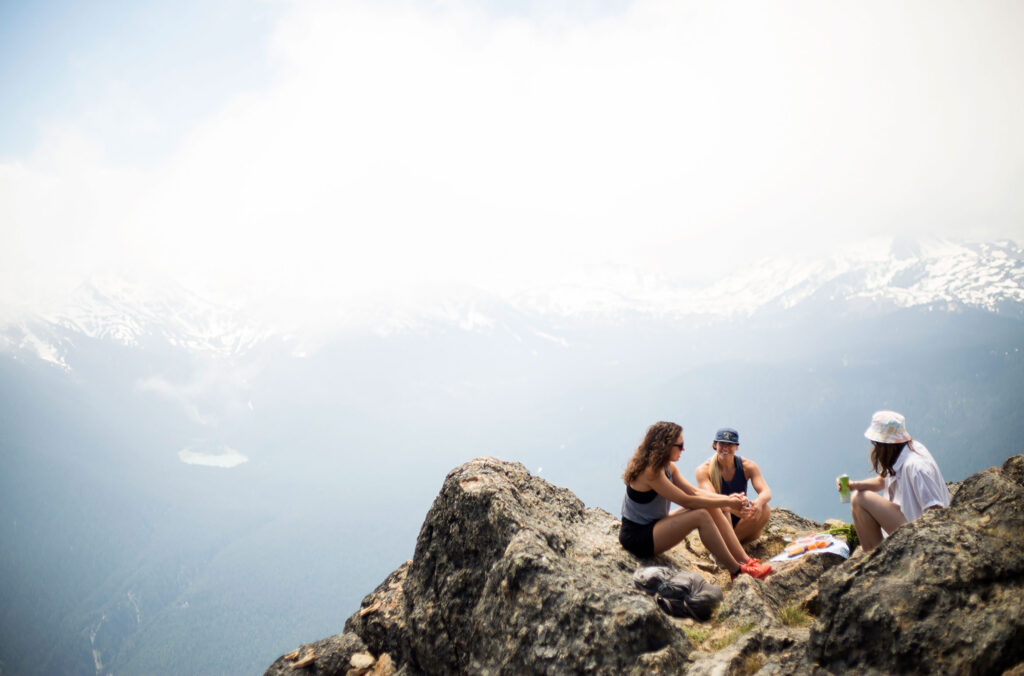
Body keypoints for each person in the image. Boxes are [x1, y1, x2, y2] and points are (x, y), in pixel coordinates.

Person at [619, 421, 773, 579]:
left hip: (654, 524)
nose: (683, 449)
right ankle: (737, 571)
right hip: (638, 537)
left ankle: (746, 561)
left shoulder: (668, 467)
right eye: (679, 445)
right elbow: (687, 501)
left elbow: (693, 491)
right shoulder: (651, 471)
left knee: (709, 508)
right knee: (701, 515)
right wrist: (727, 502)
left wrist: (728, 499)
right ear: (665, 445)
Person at [839, 410, 951, 553]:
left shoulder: (916, 467)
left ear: (885, 444)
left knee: (860, 499)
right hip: (911, 524)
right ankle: (875, 556)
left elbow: (935, 510)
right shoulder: (903, 452)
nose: (874, 448)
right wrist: (854, 485)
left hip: (921, 536)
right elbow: (882, 481)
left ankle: (874, 558)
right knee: (858, 497)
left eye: (876, 444)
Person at [695, 428, 772, 544]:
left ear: (736, 447)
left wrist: (758, 503)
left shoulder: (748, 466)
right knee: (723, 511)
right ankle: (731, 544)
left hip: (740, 517)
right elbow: (710, 500)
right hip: (719, 517)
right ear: (715, 445)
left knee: (765, 509)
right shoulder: (703, 470)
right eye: (722, 444)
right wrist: (732, 507)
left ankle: (732, 542)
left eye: (730, 444)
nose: (725, 448)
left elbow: (765, 491)